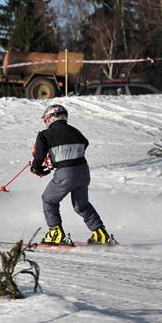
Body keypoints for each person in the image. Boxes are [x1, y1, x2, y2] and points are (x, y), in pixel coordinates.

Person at [31, 104, 111, 245]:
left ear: (49, 118)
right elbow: (85, 143)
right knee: (81, 205)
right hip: (83, 172)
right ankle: (100, 234)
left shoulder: (44, 135)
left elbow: (38, 158)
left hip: (66, 173)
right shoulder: (76, 131)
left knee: (49, 200)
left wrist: (37, 169)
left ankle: (55, 233)